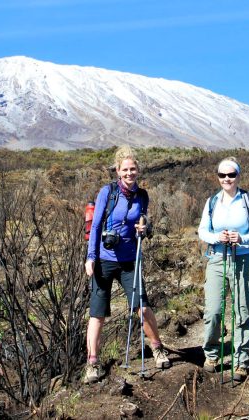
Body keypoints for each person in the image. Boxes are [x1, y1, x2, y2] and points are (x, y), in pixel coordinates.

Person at [83, 146, 170, 384]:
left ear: (138, 170)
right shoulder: (107, 193)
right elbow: (97, 226)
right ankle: (92, 362)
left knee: (142, 307)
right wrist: (91, 257)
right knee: (97, 314)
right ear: (118, 171)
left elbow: (143, 223)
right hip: (104, 259)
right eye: (125, 170)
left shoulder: (142, 195)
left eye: (133, 169)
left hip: (130, 260)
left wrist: (145, 229)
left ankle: (157, 348)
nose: (129, 173)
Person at [197, 157, 249, 382]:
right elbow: (203, 231)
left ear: (238, 176)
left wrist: (242, 238)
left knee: (241, 311)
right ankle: (212, 355)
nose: (227, 179)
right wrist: (217, 237)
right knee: (213, 311)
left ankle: (241, 361)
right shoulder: (212, 201)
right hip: (217, 260)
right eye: (222, 175)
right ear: (217, 177)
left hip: (243, 260)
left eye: (231, 175)